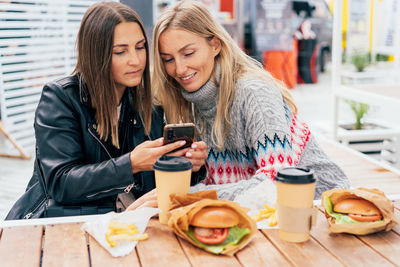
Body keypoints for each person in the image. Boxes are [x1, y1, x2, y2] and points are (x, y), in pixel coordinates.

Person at [6, 2, 207, 220]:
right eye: (120, 51)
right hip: (55, 224)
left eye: (140, 47)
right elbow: (61, 183)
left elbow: (153, 184)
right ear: (96, 55)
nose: (136, 60)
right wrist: (131, 163)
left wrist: (189, 166)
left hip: (121, 224)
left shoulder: (145, 102)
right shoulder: (60, 98)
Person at [151, 0, 349, 201]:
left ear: (215, 45)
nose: (179, 69)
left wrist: (190, 195)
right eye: (168, 59)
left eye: (188, 53)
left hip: (321, 208)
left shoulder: (254, 93)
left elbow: (275, 184)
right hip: (257, 216)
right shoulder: (189, 101)